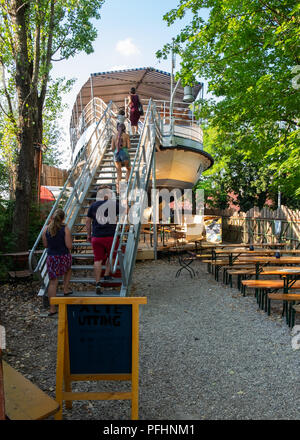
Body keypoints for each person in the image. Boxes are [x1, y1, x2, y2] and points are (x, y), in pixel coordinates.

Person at [86, 185, 120, 295]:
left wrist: (89, 235)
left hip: (96, 237)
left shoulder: (93, 206)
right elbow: (127, 211)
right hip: (110, 236)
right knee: (113, 255)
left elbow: (87, 221)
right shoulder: (113, 204)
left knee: (97, 260)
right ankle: (106, 274)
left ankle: (97, 283)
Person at [42, 209, 73, 316]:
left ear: (52, 218)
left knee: (53, 282)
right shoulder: (65, 229)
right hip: (63, 256)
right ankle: (65, 289)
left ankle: (52, 309)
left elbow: (45, 245)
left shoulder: (46, 229)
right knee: (68, 269)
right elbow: (69, 246)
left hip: (51, 258)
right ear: (63, 218)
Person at [111, 123, 131, 194]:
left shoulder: (113, 136)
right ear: (124, 128)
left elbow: (112, 148)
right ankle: (125, 184)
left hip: (116, 154)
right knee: (128, 169)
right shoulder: (126, 136)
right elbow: (129, 146)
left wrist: (117, 149)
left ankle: (118, 191)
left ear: (117, 128)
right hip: (124, 153)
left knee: (119, 173)